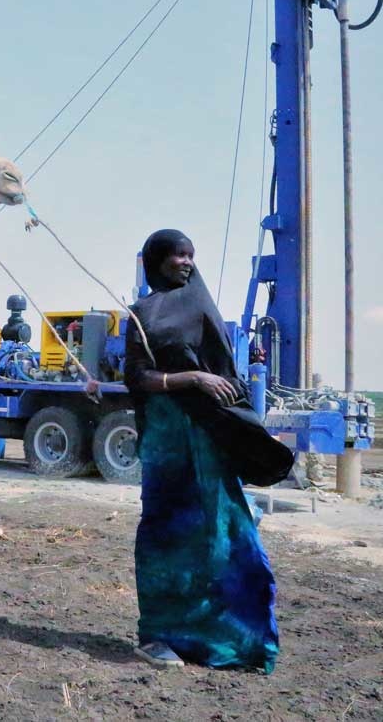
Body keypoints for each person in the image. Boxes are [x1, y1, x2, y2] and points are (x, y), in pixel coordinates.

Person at [124, 229, 294, 673]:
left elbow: (228, 374)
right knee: (167, 537)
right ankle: (157, 636)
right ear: (155, 260)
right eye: (177, 255)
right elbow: (138, 379)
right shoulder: (140, 315)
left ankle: (232, 639)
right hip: (166, 445)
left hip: (207, 437)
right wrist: (192, 380)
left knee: (225, 534)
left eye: (190, 255)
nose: (186, 262)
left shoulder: (202, 307)